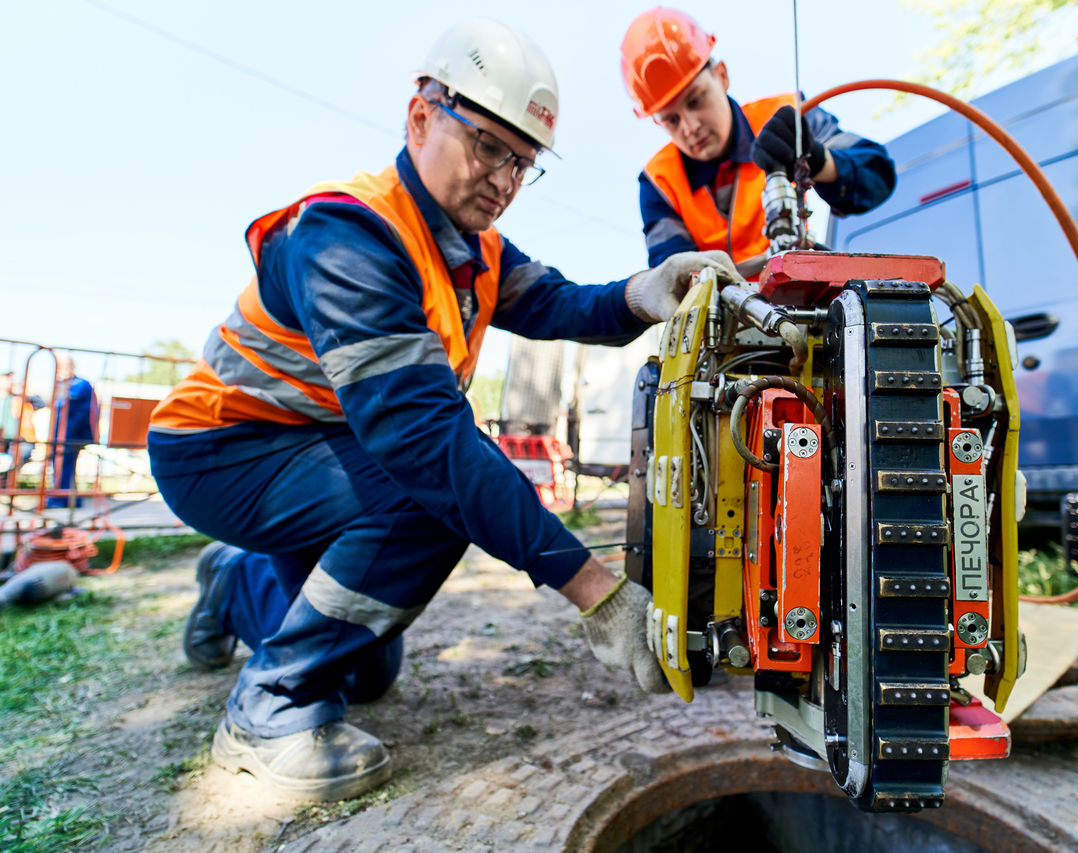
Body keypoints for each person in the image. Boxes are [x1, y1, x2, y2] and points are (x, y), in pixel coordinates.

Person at [147, 18, 739, 803]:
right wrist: (597, 592)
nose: (503, 179)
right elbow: (427, 446)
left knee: (364, 667)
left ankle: (235, 587)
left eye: (522, 164)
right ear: (421, 117)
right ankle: (269, 709)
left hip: (316, 450)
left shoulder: (474, 248)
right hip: (224, 449)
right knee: (428, 498)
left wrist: (645, 291)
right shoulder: (348, 236)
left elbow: (559, 299)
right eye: (490, 147)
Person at [621, 7, 897, 274]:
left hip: (802, 311)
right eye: (671, 120)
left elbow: (877, 175)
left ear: (722, 76)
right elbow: (674, 277)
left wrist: (819, 160)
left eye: (696, 100)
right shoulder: (659, 182)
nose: (690, 127)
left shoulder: (788, 115)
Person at [47, 357, 99, 509]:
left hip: (71, 434)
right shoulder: (61, 385)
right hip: (59, 433)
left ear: (72, 367)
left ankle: (61, 499)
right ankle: (68, 499)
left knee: (65, 465)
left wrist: (72, 429)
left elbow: (86, 411)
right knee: (59, 465)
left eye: (64, 367)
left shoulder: (81, 385)